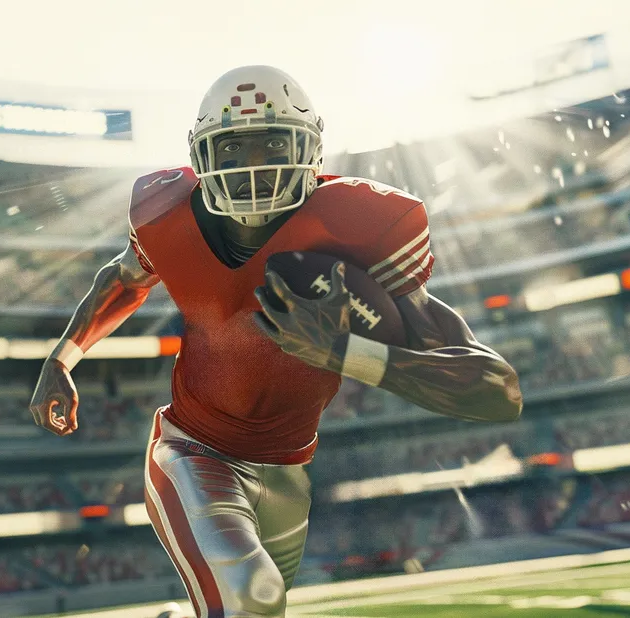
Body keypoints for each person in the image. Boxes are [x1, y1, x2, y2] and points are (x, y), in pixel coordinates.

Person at [29, 65, 522, 618]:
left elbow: (497, 391)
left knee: (252, 609)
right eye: (233, 148)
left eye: (272, 145)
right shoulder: (165, 212)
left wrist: (345, 354)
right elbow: (124, 278)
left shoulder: (364, 223)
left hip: (289, 468)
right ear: (201, 156)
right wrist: (62, 357)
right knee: (252, 595)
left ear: (311, 148)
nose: (253, 166)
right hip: (193, 448)